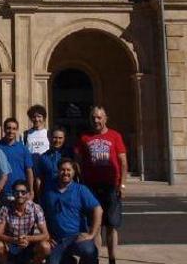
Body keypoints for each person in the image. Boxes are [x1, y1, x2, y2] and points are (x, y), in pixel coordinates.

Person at [75, 106, 127, 264]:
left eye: (99, 117)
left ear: (105, 118)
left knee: (111, 225)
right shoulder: (84, 137)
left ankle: (112, 258)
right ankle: (95, 258)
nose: (96, 120)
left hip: (111, 186)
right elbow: (77, 160)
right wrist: (81, 179)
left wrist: (122, 185)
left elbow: (123, 162)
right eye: (93, 117)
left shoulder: (115, 136)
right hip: (91, 187)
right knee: (95, 225)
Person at [42, 159, 102, 264]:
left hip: (77, 238)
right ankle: (69, 260)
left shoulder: (80, 190)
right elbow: (42, 215)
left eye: (68, 170)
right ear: (58, 171)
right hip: (58, 240)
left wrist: (92, 234)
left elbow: (98, 209)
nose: (65, 173)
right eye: (62, 170)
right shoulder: (48, 190)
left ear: (73, 172)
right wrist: (47, 236)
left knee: (89, 251)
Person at [0, 181, 51, 264]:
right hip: (11, 243)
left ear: (28, 194)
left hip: (29, 244)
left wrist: (27, 238)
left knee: (46, 247)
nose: (20, 195)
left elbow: (46, 235)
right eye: (17, 192)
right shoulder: (5, 209)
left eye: (23, 192)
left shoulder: (35, 208)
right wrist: (15, 240)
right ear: (13, 193)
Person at [0, 118, 34, 209]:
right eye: (8, 128)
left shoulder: (23, 149)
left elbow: (29, 170)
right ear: (4, 129)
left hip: (20, 193)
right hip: (1, 192)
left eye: (14, 128)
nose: (11, 131)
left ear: (17, 130)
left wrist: (31, 191)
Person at [34, 127, 69, 202]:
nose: (57, 140)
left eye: (60, 138)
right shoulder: (43, 157)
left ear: (64, 139)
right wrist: (40, 197)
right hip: (50, 195)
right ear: (49, 138)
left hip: (68, 195)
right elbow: (39, 179)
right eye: (55, 138)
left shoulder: (70, 156)